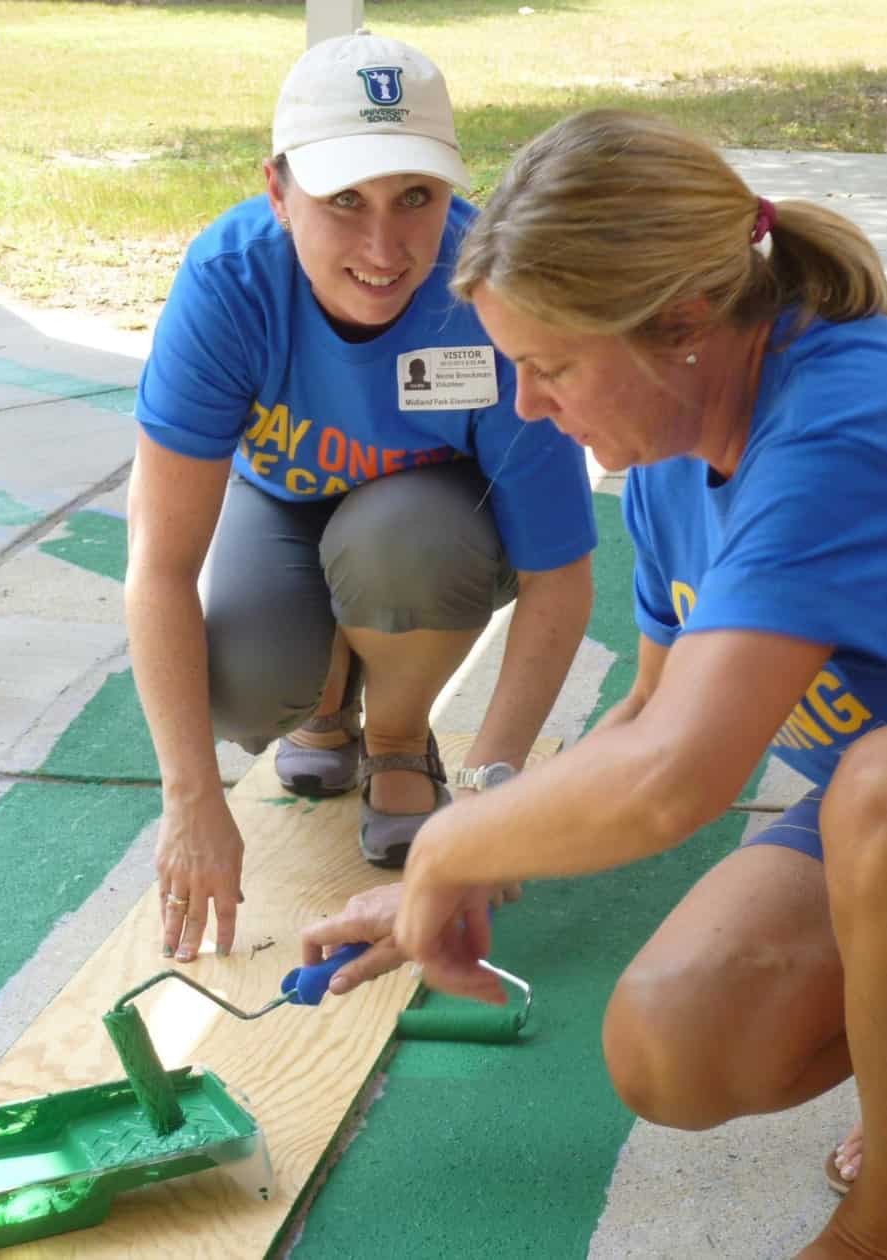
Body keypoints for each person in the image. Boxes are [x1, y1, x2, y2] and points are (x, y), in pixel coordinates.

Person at [302, 109, 887, 1259]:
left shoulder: (843, 420)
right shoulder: (679, 442)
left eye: (551, 365)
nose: (526, 407)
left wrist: (442, 851)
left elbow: (678, 778)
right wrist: (487, 841)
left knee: (881, 793)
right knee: (677, 1043)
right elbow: (651, 718)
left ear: (682, 323)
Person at [124, 32, 596, 966]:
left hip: (421, 532)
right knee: (244, 687)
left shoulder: (490, 293)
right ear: (276, 190)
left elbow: (560, 578)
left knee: (402, 545)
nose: (384, 248)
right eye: (344, 201)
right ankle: (322, 705)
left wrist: (491, 796)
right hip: (286, 508)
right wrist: (191, 801)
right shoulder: (226, 283)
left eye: (415, 198)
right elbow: (158, 567)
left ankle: (394, 734)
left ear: (454, 191)